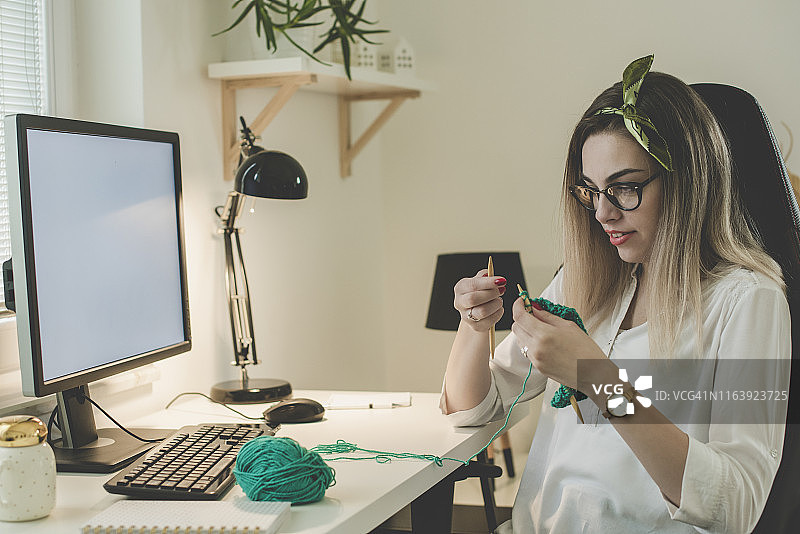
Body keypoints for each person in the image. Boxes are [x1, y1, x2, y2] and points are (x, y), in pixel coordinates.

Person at [440, 55, 790, 533]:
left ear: (688, 182)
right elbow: (472, 413)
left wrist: (599, 377)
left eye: (624, 188)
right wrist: (473, 326)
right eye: (590, 190)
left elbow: (737, 506)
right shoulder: (585, 280)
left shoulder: (748, 299)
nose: (603, 214)